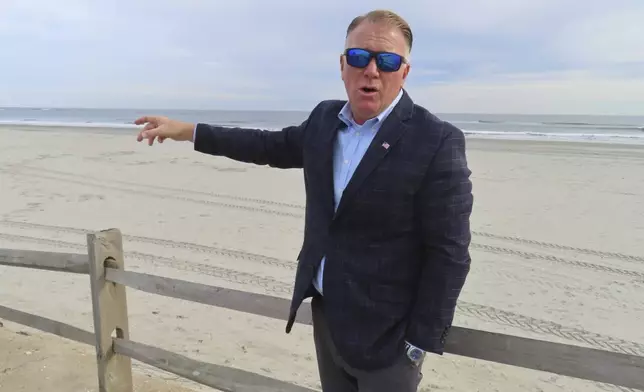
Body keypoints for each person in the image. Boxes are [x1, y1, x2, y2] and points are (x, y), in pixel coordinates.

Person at [135, 9, 473, 392]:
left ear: (404, 71)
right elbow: (266, 145)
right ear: (343, 65)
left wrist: (417, 344)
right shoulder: (325, 120)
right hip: (328, 315)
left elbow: (450, 252)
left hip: (388, 338)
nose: (372, 71)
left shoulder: (437, 140)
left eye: (388, 61)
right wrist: (188, 132)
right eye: (360, 57)